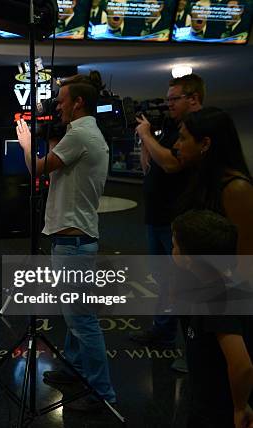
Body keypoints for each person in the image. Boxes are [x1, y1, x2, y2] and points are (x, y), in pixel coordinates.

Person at [16, 73, 117, 411]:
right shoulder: (86, 133)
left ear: (78, 103)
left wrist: (28, 145)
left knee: (81, 321)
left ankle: (103, 395)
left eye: (61, 100)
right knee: (75, 316)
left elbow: (38, 168)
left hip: (73, 245)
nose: (55, 106)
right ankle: (75, 370)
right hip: (75, 240)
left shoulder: (80, 134)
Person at [130, 74, 205, 356]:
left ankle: (193, 347)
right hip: (158, 216)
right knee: (164, 280)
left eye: (174, 98)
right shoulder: (175, 129)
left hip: (177, 218)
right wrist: (145, 141)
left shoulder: (197, 128)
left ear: (193, 98)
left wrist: (148, 136)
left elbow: (173, 164)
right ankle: (163, 333)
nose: (169, 104)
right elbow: (152, 165)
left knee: (184, 283)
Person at [171, 209, 253, 428]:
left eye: (175, 246)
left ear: (189, 259)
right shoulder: (227, 282)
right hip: (209, 397)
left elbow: (242, 364)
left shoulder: (216, 300)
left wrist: (239, 407)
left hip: (217, 409)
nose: (172, 251)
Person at [173, 107, 253, 259]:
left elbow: (246, 257)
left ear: (205, 144)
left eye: (182, 138)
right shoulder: (201, 178)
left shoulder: (237, 189)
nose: (176, 145)